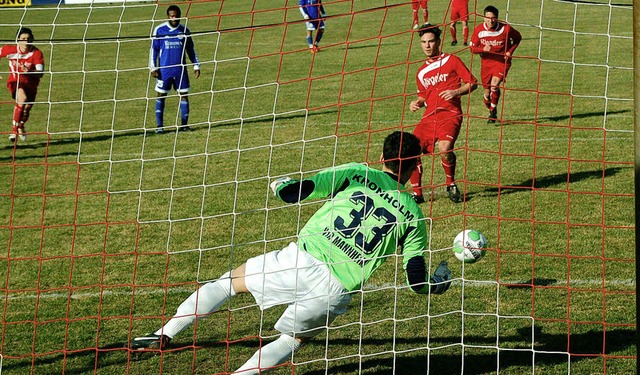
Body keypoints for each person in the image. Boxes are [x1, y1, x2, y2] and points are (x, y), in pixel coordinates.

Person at [129, 131, 453, 374]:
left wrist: (280, 184)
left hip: (302, 259)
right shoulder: (412, 213)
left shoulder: (358, 173)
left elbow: (295, 192)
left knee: (227, 283)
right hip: (336, 289)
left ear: (382, 158)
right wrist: (440, 281)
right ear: (415, 165)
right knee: (291, 341)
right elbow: (416, 281)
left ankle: (163, 334)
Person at [409, 24, 477, 204]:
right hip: (429, 118)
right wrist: (417, 102)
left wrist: (456, 92)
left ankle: (451, 184)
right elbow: (423, 95)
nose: (427, 46)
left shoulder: (452, 61)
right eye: (423, 42)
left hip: (450, 114)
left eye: (431, 41)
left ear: (438, 41)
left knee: (444, 148)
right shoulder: (421, 72)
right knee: (411, 150)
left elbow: (472, 83)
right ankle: (417, 193)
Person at [149, 4, 200, 133]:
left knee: (184, 95)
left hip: (180, 70)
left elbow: (191, 50)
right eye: (172, 16)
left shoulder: (184, 30)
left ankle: (184, 125)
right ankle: (159, 126)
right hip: (164, 71)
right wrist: (153, 68)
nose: (174, 18)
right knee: (161, 95)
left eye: (176, 16)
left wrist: (196, 65)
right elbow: (153, 50)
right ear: (168, 16)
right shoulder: (159, 30)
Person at [469, 5, 521, 124]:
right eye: (488, 18)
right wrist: (483, 49)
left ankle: (492, 112)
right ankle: (492, 109)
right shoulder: (479, 30)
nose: (490, 21)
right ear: (483, 18)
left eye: (493, 18)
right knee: (487, 93)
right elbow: (472, 48)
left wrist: (509, 51)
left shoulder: (505, 29)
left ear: (497, 18)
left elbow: (518, 38)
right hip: (486, 63)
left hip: (502, 62)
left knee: (494, 85)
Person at [0, 28, 45, 142]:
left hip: (31, 85)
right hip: (15, 82)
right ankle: (14, 131)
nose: (26, 41)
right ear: (18, 40)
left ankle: (21, 125)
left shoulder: (36, 53)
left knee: (26, 109)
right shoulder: (10, 50)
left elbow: (40, 73)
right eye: (23, 39)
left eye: (28, 39)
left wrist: (29, 71)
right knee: (22, 99)